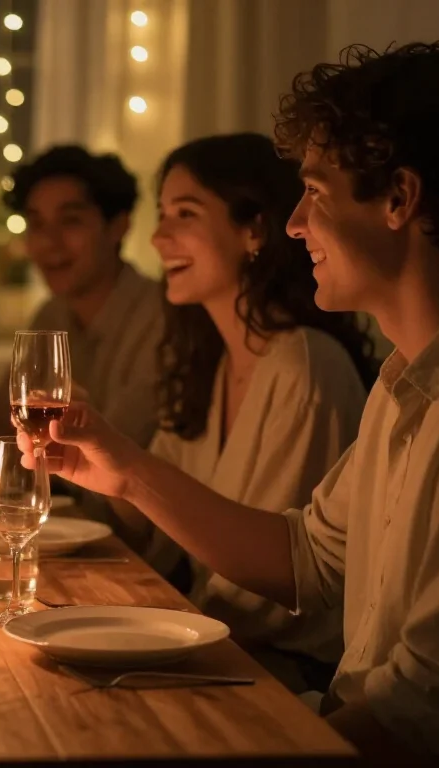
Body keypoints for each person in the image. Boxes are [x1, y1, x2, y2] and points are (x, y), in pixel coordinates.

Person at [18, 42, 439, 766]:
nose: (296, 224)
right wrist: (126, 472)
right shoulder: (405, 383)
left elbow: (428, 716)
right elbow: (306, 560)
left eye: (317, 194)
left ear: (399, 199)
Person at [125, 132, 378, 692]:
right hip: (212, 646)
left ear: (254, 230)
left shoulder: (305, 367)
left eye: (184, 214)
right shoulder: (210, 365)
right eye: (160, 214)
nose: (158, 236)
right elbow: (148, 529)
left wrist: (138, 632)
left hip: (280, 674)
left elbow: (273, 598)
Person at [0, 146, 163, 447]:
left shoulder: (162, 319)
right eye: (37, 224)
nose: (49, 242)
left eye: (70, 221)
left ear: (118, 227)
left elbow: (122, 450)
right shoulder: (49, 316)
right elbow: (13, 438)